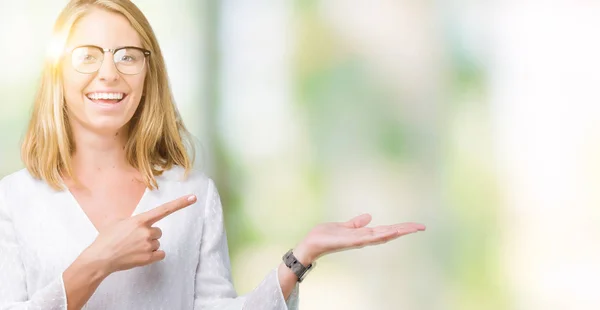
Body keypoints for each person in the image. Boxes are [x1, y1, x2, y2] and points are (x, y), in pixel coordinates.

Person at [0, 1, 426, 309]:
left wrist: (300, 258)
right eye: (87, 56)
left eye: (128, 56)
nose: (109, 72)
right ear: (57, 74)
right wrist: (98, 260)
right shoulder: (15, 200)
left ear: (149, 75)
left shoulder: (192, 196)